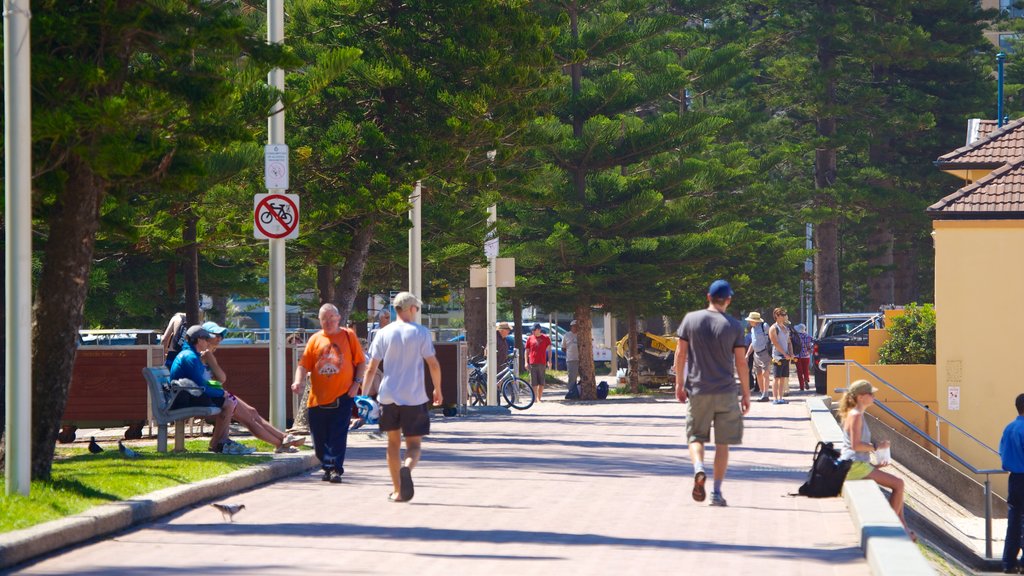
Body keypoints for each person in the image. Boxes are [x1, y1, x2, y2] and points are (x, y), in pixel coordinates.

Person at [674, 279, 750, 507]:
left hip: (698, 389)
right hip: (726, 391)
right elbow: (741, 362)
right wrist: (745, 393)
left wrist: (679, 384)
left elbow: (680, 354)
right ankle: (716, 492)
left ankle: (698, 468)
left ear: (708, 297)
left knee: (696, 436)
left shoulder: (690, 320)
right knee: (722, 444)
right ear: (728, 300)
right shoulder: (735, 326)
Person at [363, 292, 443, 503]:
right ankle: (407, 467)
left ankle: (398, 490)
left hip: (388, 395)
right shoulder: (420, 332)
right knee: (414, 445)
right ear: (409, 309)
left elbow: (371, 367)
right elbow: (433, 364)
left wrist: (363, 394)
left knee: (392, 444)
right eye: (416, 308)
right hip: (414, 396)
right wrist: (438, 389)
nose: (416, 311)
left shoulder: (383, 333)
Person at [200, 321, 306, 453]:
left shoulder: (207, 353)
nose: (220, 338)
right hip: (214, 395)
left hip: (218, 393)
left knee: (253, 412)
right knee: (249, 419)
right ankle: (280, 444)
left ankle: (284, 437)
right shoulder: (205, 355)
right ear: (205, 337)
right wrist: (212, 361)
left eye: (221, 335)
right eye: (216, 335)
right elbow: (222, 378)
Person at [291, 304, 366, 483]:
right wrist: (298, 381)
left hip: (343, 395)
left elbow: (361, 363)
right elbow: (303, 365)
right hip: (317, 398)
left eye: (332, 317)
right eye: (324, 318)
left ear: (339, 318)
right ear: (320, 320)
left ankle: (334, 470)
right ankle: (327, 466)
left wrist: (356, 384)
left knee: (337, 435)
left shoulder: (348, 336)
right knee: (319, 439)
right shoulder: (315, 339)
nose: (328, 321)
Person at [838, 380, 911, 538]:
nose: (874, 397)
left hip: (857, 464)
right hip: (854, 465)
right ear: (861, 397)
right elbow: (856, 445)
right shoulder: (856, 415)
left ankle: (902, 525)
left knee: (898, 485)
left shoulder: (857, 414)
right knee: (899, 484)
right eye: (871, 394)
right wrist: (877, 446)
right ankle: (894, 526)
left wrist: (873, 465)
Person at [169, 325, 250, 455]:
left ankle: (221, 442)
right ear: (199, 340)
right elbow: (201, 385)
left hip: (187, 394)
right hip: (184, 399)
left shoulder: (192, 355)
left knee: (228, 402)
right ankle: (220, 443)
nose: (208, 342)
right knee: (227, 402)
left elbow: (201, 384)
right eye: (206, 339)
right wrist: (221, 392)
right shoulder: (190, 357)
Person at [1001, 393, 1024, 573]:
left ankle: (1009, 562)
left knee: (1014, 520)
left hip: (1014, 479)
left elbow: (1003, 452)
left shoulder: (1009, 428)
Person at [767, 308, 794, 404]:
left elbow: (789, 342)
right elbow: (775, 343)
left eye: (784, 314)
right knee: (776, 377)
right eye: (782, 315)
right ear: (777, 316)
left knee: (783, 378)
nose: (784, 316)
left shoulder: (786, 328)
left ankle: (781, 397)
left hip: (786, 356)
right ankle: (775, 398)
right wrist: (784, 353)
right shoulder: (773, 328)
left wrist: (791, 353)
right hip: (777, 356)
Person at [744, 311, 772, 402]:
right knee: (758, 374)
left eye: (750, 320)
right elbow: (753, 343)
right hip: (756, 354)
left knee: (765, 373)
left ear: (755, 320)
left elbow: (772, 337)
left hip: (765, 353)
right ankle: (762, 393)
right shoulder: (752, 329)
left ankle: (766, 394)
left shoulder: (765, 326)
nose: (749, 322)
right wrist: (748, 354)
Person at [526, 323, 551, 402]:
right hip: (532, 362)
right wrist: (526, 362)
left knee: (541, 381)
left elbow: (549, 350)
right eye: (532, 330)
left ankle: (539, 398)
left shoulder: (546, 338)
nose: (532, 331)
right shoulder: (530, 338)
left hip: (542, 362)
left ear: (539, 330)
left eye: (534, 330)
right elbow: (526, 351)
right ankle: (534, 398)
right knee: (533, 381)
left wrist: (549, 360)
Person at [563, 320, 581, 398]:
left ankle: (580, 391)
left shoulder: (581, 335)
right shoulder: (566, 335)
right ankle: (571, 392)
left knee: (583, 376)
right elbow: (563, 348)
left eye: (577, 326)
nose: (575, 328)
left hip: (581, 359)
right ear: (571, 327)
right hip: (571, 359)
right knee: (572, 377)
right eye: (574, 326)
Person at [794, 323, 813, 392]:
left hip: (797, 356)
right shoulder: (808, 336)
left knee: (799, 371)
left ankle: (801, 386)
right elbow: (811, 346)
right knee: (806, 369)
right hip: (806, 356)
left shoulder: (795, 337)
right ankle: (806, 379)